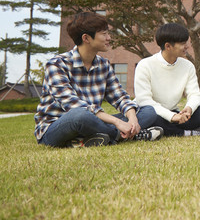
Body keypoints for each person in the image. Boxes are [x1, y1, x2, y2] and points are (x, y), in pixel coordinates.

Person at [34, 12, 163, 148]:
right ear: (86, 38)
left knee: (148, 111)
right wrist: (118, 123)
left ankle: (89, 140)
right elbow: (74, 106)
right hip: (58, 127)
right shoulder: (57, 64)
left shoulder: (104, 65)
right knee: (80, 115)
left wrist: (132, 119)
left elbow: (120, 97)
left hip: (95, 122)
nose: (109, 38)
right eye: (104, 34)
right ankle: (129, 136)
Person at [134, 23, 200, 137]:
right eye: (183, 44)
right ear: (168, 46)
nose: (187, 46)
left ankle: (167, 131)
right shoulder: (145, 65)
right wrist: (171, 117)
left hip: (174, 113)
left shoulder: (188, 66)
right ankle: (185, 132)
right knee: (151, 117)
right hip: (152, 114)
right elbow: (144, 101)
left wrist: (189, 109)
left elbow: (195, 94)